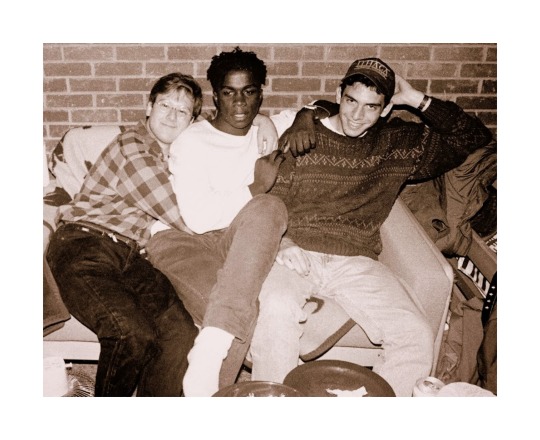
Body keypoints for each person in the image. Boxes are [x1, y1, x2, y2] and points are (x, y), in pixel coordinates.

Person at [248, 57, 493, 397]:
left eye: (371, 107)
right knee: (275, 309)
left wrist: (416, 99)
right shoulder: (303, 137)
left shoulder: (399, 144)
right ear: (338, 95)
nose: (356, 115)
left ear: (386, 108)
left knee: (415, 335)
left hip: (357, 260)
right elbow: (270, 200)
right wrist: (283, 242)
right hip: (296, 251)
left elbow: (473, 137)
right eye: (351, 101)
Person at [145, 47, 294, 397]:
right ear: (216, 96)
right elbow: (197, 219)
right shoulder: (192, 140)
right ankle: (212, 373)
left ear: (260, 95)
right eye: (229, 92)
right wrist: (255, 186)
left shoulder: (267, 131)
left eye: (249, 92)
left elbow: (324, 108)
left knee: (271, 206)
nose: (240, 103)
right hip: (181, 240)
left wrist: (289, 119)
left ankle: (209, 355)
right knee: (242, 310)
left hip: (234, 242)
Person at [45, 73, 203, 397]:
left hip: (131, 257)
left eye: (182, 110)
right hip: (84, 245)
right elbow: (179, 213)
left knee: (181, 333)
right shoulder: (132, 145)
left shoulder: (182, 159)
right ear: (149, 107)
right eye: (165, 105)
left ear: (192, 122)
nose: (172, 116)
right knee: (130, 333)